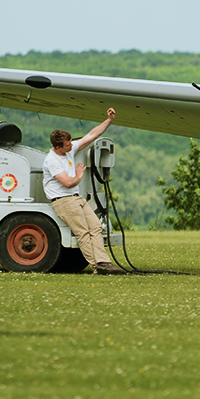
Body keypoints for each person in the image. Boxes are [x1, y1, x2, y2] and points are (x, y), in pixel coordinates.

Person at [44, 108, 126, 275]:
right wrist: (80, 175)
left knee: (96, 227)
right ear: (58, 147)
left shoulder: (68, 149)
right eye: (68, 144)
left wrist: (108, 120)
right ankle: (97, 267)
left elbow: (91, 136)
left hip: (76, 198)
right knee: (83, 232)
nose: (71, 145)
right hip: (64, 200)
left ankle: (105, 262)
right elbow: (67, 182)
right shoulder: (52, 160)